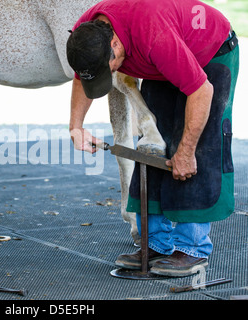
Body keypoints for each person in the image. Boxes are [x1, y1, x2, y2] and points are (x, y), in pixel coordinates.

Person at [66, 0, 239, 277]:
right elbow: (79, 77)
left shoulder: (152, 34)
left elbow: (201, 91)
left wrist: (185, 152)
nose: (108, 75)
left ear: (115, 46)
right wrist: (76, 126)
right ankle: (156, 244)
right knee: (153, 144)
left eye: (107, 69)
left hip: (209, 52)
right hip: (162, 56)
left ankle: (192, 249)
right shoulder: (85, 36)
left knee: (194, 145)